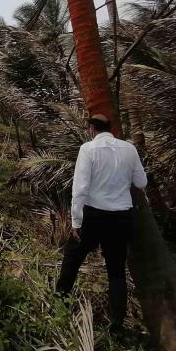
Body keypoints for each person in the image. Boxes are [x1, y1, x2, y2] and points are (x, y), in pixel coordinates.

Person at [56, 113, 147, 332]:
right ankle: (116, 323)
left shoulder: (87, 150)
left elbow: (80, 189)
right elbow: (141, 182)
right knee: (116, 271)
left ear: (91, 129)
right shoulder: (129, 149)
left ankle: (59, 304)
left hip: (93, 216)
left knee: (72, 258)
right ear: (111, 128)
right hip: (121, 218)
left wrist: (76, 221)